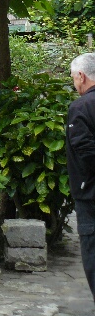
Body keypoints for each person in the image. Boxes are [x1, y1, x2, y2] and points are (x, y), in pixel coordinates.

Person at [67, 53, 95, 302]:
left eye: (73, 78)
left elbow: (85, 151)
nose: (74, 83)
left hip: (90, 194)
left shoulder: (81, 106)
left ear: (81, 76)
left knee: (92, 249)